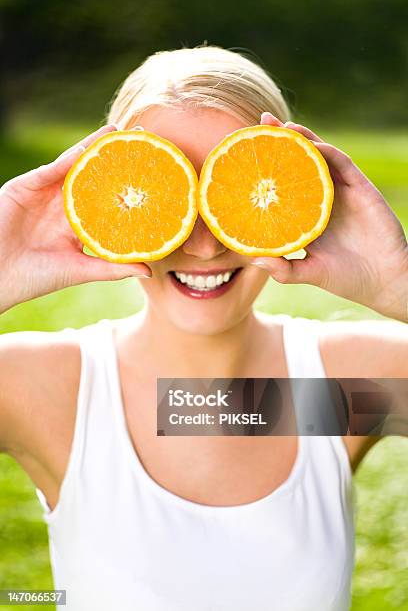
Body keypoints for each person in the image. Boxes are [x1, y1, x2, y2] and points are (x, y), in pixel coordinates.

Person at [0, 45, 406, 611]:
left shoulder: (326, 392)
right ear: (115, 201)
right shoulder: (56, 392)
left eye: (232, 196)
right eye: (176, 198)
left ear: (289, 193)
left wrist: (399, 284)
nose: (204, 244)